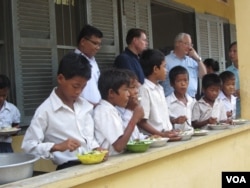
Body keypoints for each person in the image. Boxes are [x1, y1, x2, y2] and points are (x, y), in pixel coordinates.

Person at [22, 53, 105, 170]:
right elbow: (28, 146)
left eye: (83, 87)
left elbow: (89, 137)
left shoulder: (85, 106)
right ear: (61, 79)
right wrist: (56, 146)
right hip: (68, 167)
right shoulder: (45, 111)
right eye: (75, 86)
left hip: (91, 165)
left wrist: (96, 149)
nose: (79, 91)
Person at [93, 69, 144, 156]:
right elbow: (119, 146)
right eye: (125, 90)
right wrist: (134, 119)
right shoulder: (104, 111)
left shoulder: (111, 109)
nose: (128, 94)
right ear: (111, 93)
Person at [137, 49, 180, 141]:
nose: (166, 71)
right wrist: (161, 134)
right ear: (155, 69)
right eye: (164, 67)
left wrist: (170, 130)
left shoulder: (160, 88)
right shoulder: (144, 89)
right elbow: (141, 121)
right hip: (155, 140)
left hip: (165, 136)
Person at [160, 33, 207, 98]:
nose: (189, 47)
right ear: (177, 43)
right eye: (186, 44)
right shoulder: (166, 60)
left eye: (191, 45)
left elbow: (203, 75)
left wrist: (198, 58)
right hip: (172, 101)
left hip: (191, 100)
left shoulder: (192, 60)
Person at [75, 24, 103, 106]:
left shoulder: (93, 60)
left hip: (97, 110)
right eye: (95, 43)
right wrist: (91, 105)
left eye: (99, 44)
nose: (97, 47)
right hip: (83, 111)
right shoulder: (74, 61)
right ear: (83, 41)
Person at [115, 69, 147, 141]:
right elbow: (127, 140)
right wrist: (131, 112)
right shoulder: (115, 112)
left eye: (136, 87)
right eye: (132, 87)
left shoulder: (130, 109)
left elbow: (136, 136)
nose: (136, 91)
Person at [166, 66, 195, 131]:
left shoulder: (192, 101)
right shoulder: (167, 102)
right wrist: (175, 121)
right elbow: (164, 122)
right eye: (179, 81)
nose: (183, 84)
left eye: (185, 80)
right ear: (172, 83)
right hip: (175, 137)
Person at [0, 74, 21, 153]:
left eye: (4, 95)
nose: (1, 98)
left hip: (6, 147)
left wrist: (14, 130)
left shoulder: (12, 109)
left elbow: (15, 127)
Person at [226, 41, 240, 118]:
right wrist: (233, 92)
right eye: (230, 51)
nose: (231, 54)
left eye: (235, 51)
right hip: (234, 110)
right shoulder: (227, 71)